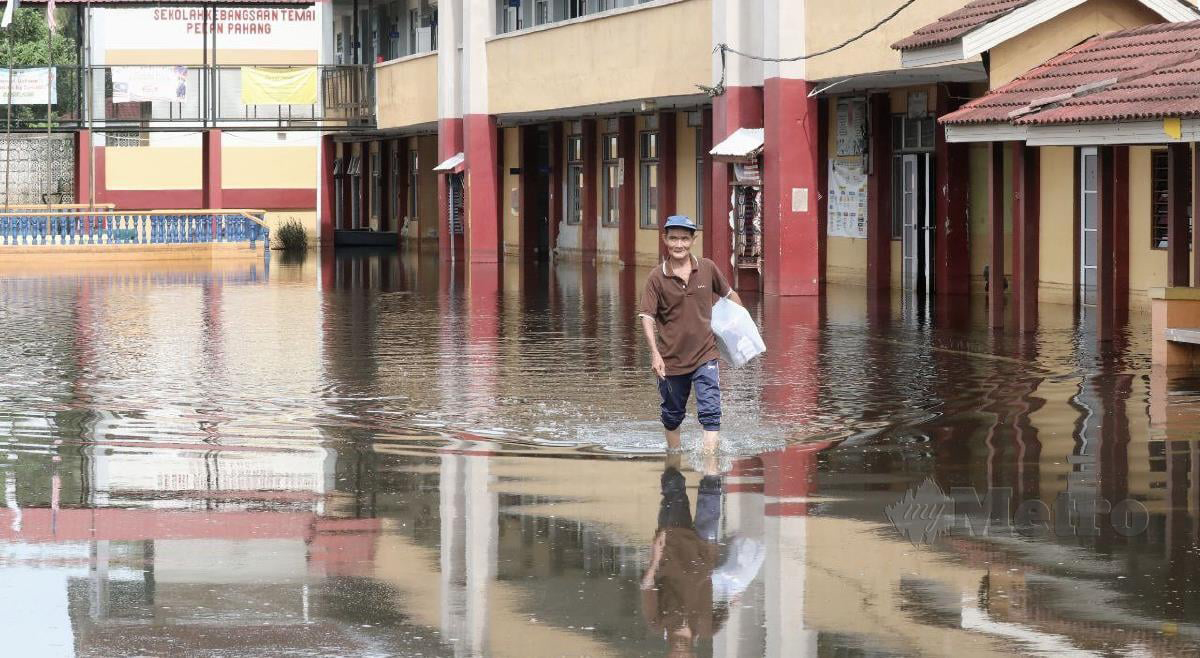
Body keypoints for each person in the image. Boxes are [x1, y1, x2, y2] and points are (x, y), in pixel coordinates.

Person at [638, 215, 742, 454]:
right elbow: (647, 316)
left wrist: (743, 327)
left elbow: (729, 296)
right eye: (673, 238)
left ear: (693, 240)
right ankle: (673, 459)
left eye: (684, 238)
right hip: (670, 360)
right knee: (672, 415)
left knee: (710, 409)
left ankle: (710, 462)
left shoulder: (707, 267)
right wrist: (655, 354)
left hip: (706, 354)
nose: (679, 244)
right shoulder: (656, 277)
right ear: (665, 239)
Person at [640, 455, 726, 656]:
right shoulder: (708, 629)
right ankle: (710, 442)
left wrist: (655, 556)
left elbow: (647, 586)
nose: (679, 655)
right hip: (705, 549)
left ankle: (674, 443)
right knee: (711, 489)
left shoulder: (657, 623)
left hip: (671, 546)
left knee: (673, 485)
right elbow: (729, 598)